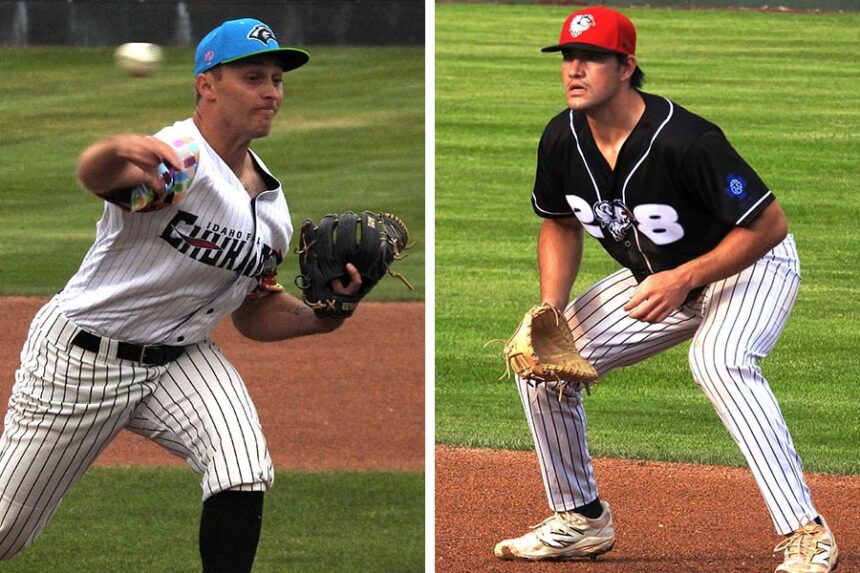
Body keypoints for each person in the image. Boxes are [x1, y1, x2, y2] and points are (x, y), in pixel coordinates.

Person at [0, 18, 362, 572]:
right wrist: (113, 147)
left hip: (181, 358)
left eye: (276, 79)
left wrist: (326, 316)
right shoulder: (177, 163)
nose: (270, 91)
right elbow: (103, 179)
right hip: (82, 358)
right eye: (252, 77)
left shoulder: (271, 208)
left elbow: (254, 312)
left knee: (241, 466)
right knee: (8, 528)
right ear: (207, 85)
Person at [492, 7, 838, 573]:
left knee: (720, 360)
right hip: (657, 282)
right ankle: (580, 519)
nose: (575, 69)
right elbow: (558, 221)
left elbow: (769, 223)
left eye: (593, 58)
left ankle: (807, 533)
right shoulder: (562, 137)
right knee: (543, 365)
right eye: (568, 57)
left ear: (626, 66)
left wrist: (684, 278)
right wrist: (551, 307)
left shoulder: (687, 140)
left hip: (750, 267)